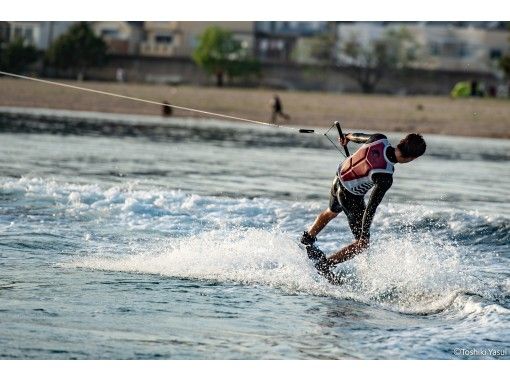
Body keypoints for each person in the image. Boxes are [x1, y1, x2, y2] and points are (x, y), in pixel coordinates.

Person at [301, 132, 427, 276]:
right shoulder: (385, 176)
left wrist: (346, 137)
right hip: (350, 196)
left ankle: (307, 238)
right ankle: (325, 265)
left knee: (331, 211)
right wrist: (364, 235)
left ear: (401, 142)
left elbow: (357, 136)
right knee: (362, 245)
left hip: (339, 178)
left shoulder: (379, 139)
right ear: (412, 158)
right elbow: (371, 208)